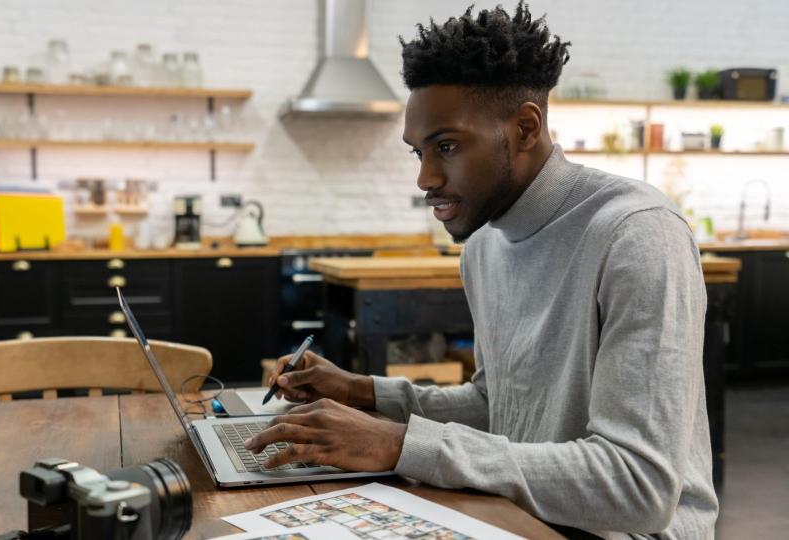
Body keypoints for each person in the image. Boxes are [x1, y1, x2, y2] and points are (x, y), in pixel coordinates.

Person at [244, 2, 718, 538]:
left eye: (446, 146)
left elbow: (638, 488)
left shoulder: (638, 234)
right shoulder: (484, 248)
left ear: (524, 127)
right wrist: (362, 392)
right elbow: (498, 408)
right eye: (417, 152)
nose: (425, 178)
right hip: (518, 513)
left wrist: (397, 443)